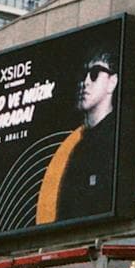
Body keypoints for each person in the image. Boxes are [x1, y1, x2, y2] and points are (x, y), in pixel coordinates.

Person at [35, 49, 119, 224]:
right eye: (84, 74)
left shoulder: (116, 138)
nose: (85, 82)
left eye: (95, 73)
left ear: (112, 82)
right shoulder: (79, 147)